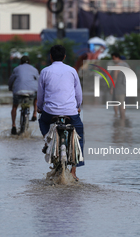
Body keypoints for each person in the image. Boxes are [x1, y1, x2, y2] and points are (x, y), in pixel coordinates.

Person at [37, 45, 84, 181]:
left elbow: (40, 95)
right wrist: (77, 107)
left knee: (42, 121)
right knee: (80, 134)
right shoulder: (72, 71)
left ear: (51, 57)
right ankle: (74, 171)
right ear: (64, 57)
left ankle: (47, 141)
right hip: (71, 112)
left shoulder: (45, 71)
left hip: (50, 112)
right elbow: (78, 94)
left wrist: (39, 107)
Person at [8, 55, 39, 135]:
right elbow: (39, 81)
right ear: (29, 63)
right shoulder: (34, 69)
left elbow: (11, 80)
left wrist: (10, 88)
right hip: (32, 92)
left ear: (20, 62)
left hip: (18, 91)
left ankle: (13, 125)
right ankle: (34, 113)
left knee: (15, 106)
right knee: (36, 97)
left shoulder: (16, 69)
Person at [109, 53, 129, 120]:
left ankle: (119, 119)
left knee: (117, 103)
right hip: (126, 87)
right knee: (123, 103)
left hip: (118, 88)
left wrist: (111, 88)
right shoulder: (126, 65)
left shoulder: (117, 66)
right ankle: (123, 118)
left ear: (117, 57)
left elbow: (114, 79)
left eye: (113, 58)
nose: (113, 60)